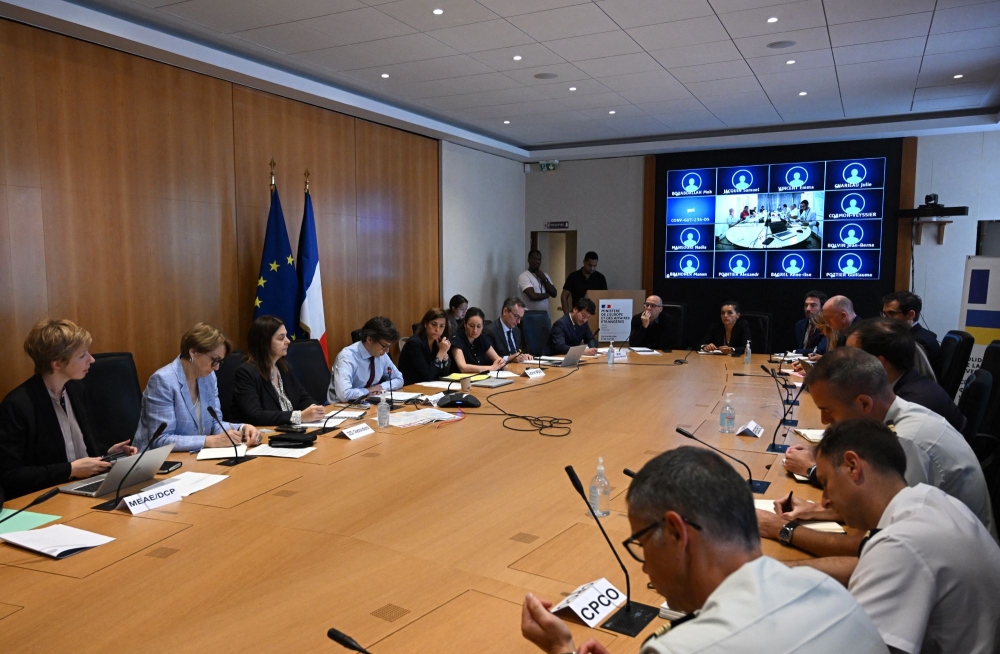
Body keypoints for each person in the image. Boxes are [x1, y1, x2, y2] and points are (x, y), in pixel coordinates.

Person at [520, 447, 887, 654]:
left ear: (678, 533)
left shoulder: (681, 649)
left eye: (642, 544)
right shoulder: (832, 595)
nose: (645, 569)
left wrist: (562, 650)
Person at [758, 348, 995, 558]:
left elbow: (878, 544)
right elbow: (885, 514)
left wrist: (783, 529)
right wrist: (820, 510)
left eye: (828, 410)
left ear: (864, 404)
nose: (825, 421)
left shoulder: (908, 441)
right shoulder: (897, 416)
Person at [810, 420, 1000, 653]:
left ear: (852, 466)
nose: (825, 500)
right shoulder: (932, 500)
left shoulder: (901, 545)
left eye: (825, 482)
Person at [0, 319, 137, 499]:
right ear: (56, 364)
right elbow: (10, 476)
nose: (92, 359)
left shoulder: (75, 390)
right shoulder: (18, 406)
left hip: (83, 488)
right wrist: (70, 470)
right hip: (48, 498)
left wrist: (107, 454)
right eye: (82, 356)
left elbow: (73, 449)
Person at [134, 323, 260, 451]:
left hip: (193, 458)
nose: (216, 367)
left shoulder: (209, 378)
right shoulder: (163, 381)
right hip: (156, 464)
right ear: (193, 352)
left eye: (220, 362)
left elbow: (214, 425)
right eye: (214, 360)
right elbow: (161, 440)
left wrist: (242, 428)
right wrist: (208, 441)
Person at [845, 318, 968, 437]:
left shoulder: (912, 404)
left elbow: (881, 447)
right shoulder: (907, 381)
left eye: (853, 357)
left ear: (878, 362)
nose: (845, 363)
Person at [231, 316, 325, 426]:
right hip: (262, 436)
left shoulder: (284, 368)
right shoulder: (246, 372)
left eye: (286, 336)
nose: (288, 341)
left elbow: (302, 397)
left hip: (289, 431)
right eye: (281, 338)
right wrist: (299, 416)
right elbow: (255, 415)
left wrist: (314, 409)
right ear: (264, 342)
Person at [328, 316, 404, 403]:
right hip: (340, 407)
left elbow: (399, 379)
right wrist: (368, 390)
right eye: (384, 346)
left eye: (389, 346)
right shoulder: (347, 357)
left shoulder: (381, 354)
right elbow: (344, 395)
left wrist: (381, 387)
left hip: (367, 403)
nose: (387, 351)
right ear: (369, 339)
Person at [881, 290, 941, 373]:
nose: (885, 319)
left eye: (891, 313)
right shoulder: (918, 335)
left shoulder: (917, 342)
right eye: (884, 313)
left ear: (911, 315)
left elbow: (911, 377)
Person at [398, 308, 452, 385]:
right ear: (425, 324)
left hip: (429, 386)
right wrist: (441, 352)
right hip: (411, 388)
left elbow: (444, 373)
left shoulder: (437, 342)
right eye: (434, 324)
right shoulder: (414, 343)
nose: (437, 329)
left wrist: (444, 355)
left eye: (441, 326)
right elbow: (428, 376)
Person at [450, 307, 506, 374]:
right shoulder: (457, 338)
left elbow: (497, 359)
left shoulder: (481, 337)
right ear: (465, 324)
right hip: (460, 381)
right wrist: (492, 368)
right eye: (471, 326)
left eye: (479, 326)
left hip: (480, 378)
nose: (475, 330)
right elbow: (462, 367)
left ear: (483, 326)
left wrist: (500, 362)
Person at [483, 297, 532, 362]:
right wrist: (510, 358)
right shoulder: (489, 331)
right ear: (505, 311)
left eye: (520, 318)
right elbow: (487, 359)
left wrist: (526, 356)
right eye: (516, 316)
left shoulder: (517, 331)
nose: (519, 322)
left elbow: (521, 351)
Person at [793, 290, 828, 354]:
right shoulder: (800, 325)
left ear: (822, 307)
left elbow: (819, 350)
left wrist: (795, 352)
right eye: (806, 305)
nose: (808, 309)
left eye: (813, 305)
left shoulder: (827, 326)